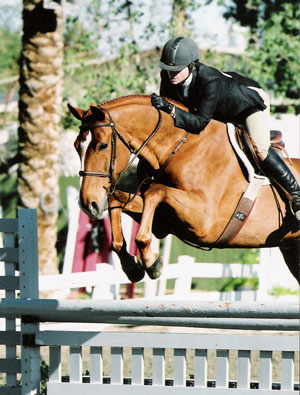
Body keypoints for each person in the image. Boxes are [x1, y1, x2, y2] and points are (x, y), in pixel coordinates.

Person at [151, 36, 300, 220]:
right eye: (168, 70)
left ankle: (296, 194)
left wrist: (171, 109)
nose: (171, 75)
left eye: (177, 70)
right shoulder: (168, 78)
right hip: (219, 111)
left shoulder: (209, 80)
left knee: (259, 148)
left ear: (191, 65)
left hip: (248, 106)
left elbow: (198, 123)